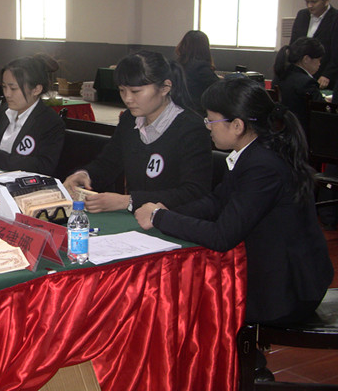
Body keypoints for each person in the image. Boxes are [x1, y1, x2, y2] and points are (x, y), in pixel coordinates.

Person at [135, 77, 333, 325]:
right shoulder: (253, 152)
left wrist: (159, 218)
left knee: (184, 303)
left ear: (237, 125)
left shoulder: (263, 166)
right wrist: (167, 211)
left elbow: (222, 236)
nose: (208, 127)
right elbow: (216, 201)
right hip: (276, 276)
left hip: (288, 292)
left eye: (211, 120)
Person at [63, 51, 212, 213]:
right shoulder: (129, 120)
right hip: (136, 217)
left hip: (175, 219)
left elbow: (194, 191)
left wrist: (128, 201)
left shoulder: (191, 128)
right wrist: (84, 175)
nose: (127, 99)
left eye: (135, 91)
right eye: (122, 90)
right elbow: (108, 163)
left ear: (165, 88)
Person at [272, 37, 325, 130]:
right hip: (302, 132)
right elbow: (322, 110)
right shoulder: (307, 82)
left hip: (281, 131)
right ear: (306, 59)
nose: (320, 64)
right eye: (319, 60)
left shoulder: (279, 76)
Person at [290, 0, 337, 89]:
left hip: (323, 77)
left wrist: (327, 74)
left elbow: (336, 53)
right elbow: (293, 45)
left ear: (326, 0)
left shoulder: (335, 18)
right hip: (299, 76)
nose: (309, 5)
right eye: (307, 1)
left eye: (314, 2)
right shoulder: (302, 15)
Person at [175, 30, 219, 115]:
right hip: (197, 112)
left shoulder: (178, 65)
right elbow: (218, 88)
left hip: (179, 110)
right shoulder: (201, 68)